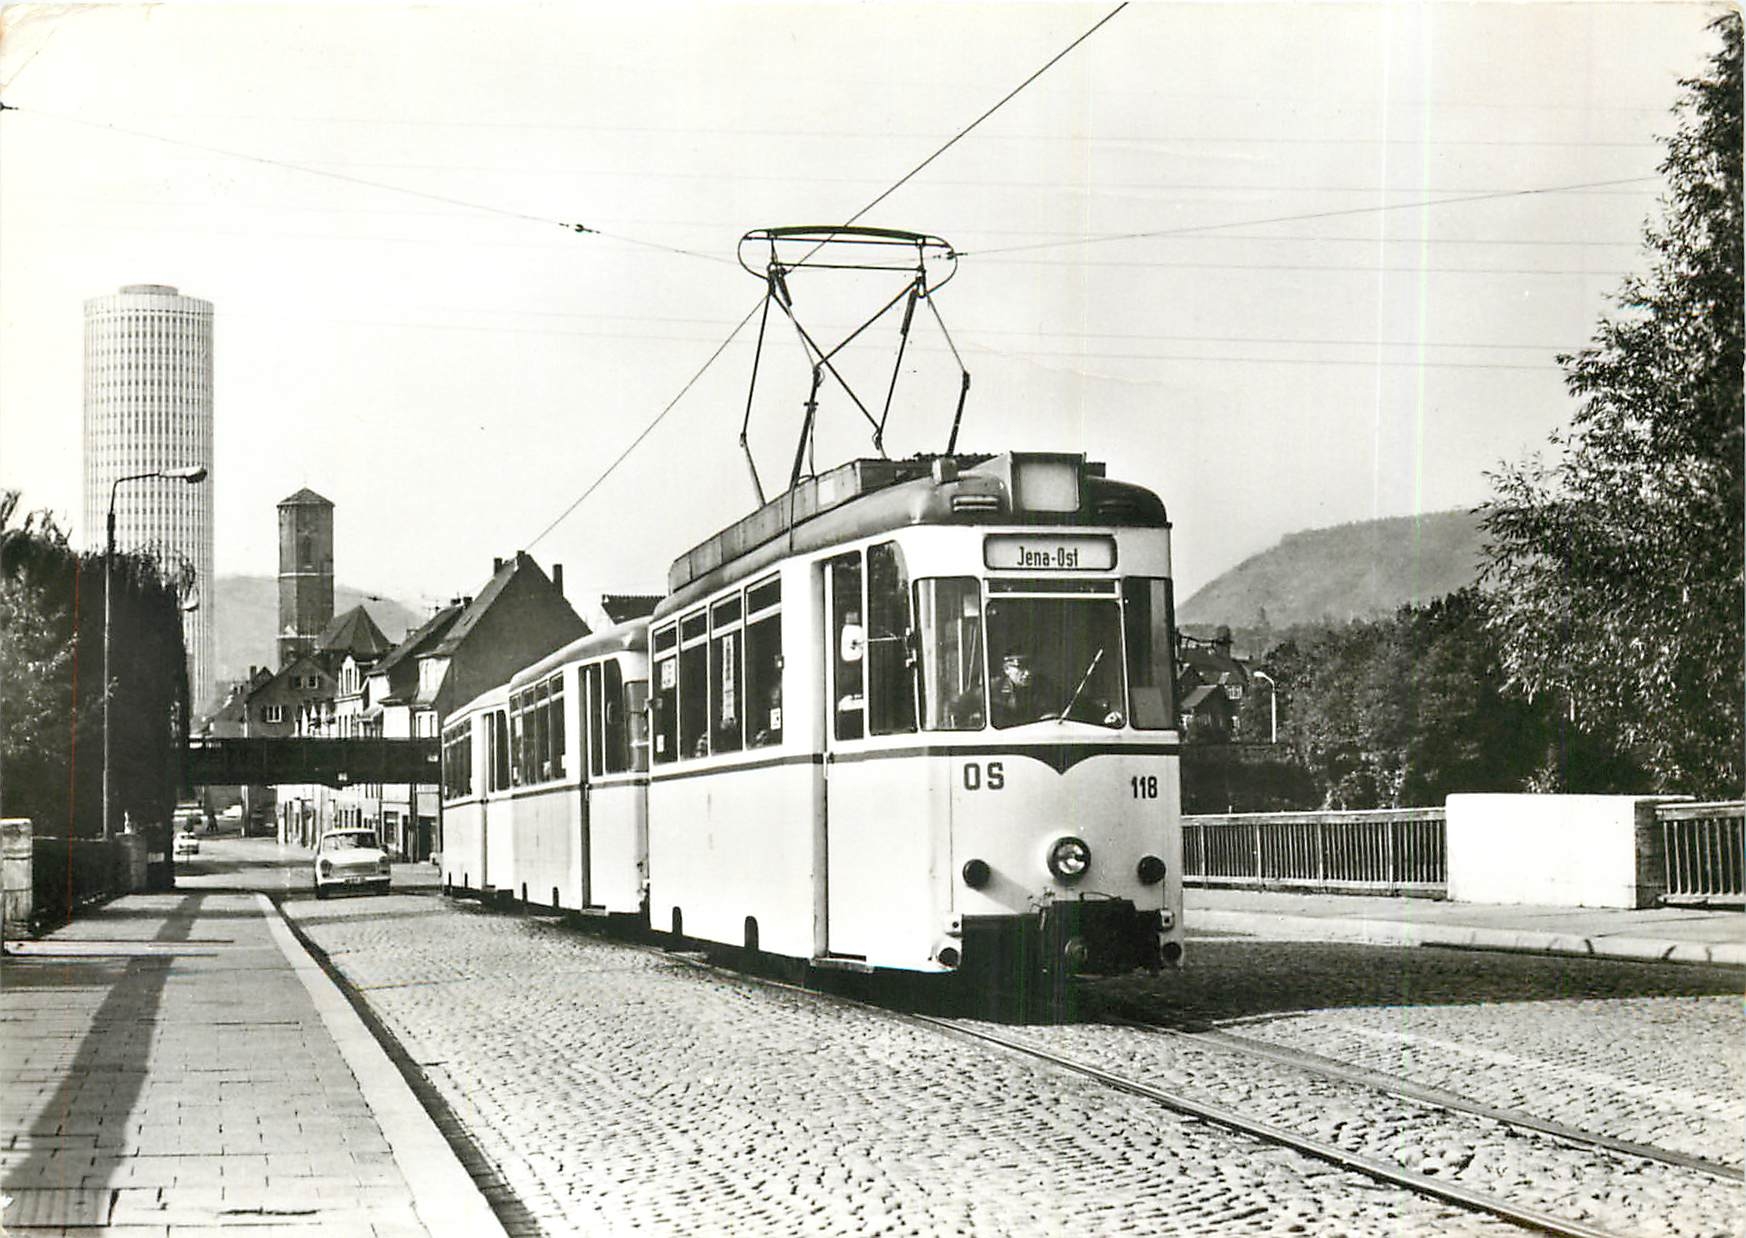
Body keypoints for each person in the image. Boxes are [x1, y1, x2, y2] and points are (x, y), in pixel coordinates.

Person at [989, 650, 1060, 727]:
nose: (1028, 673)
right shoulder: (993, 689)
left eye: (1030, 667)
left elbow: (1050, 711)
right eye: (1021, 667)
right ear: (1007, 669)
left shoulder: (1044, 686)